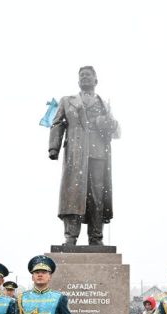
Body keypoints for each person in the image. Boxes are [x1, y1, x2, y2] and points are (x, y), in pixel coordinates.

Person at [49, 66, 120, 246]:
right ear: (78, 81)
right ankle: (70, 236)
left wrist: (107, 123)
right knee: (73, 194)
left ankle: (96, 237)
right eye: (82, 75)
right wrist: (53, 148)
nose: (85, 77)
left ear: (96, 80)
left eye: (89, 75)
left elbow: (117, 131)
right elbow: (57, 124)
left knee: (97, 195)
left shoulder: (105, 105)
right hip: (76, 153)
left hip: (98, 155)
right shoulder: (67, 101)